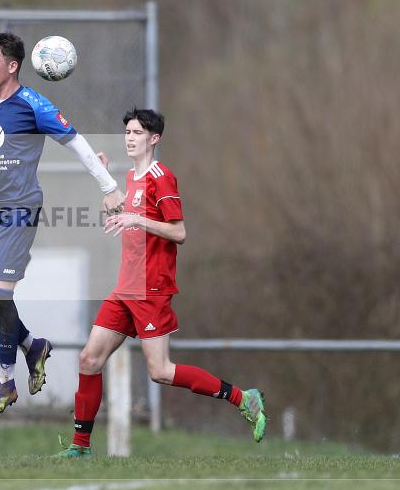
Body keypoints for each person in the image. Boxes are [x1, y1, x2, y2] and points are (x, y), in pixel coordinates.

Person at [56, 108, 267, 458]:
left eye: (137, 132)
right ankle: (80, 448)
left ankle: (243, 398)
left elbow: (179, 232)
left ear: (154, 139)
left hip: (151, 288)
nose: (129, 137)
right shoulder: (132, 178)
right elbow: (124, 217)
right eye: (127, 131)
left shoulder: (161, 176)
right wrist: (105, 182)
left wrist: (136, 218)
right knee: (89, 359)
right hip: (125, 287)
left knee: (161, 371)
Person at [0, 32, 125, 415]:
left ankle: (5, 382)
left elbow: (76, 141)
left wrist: (109, 187)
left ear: (13, 66)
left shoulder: (34, 105)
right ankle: (32, 344)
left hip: (18, 210)